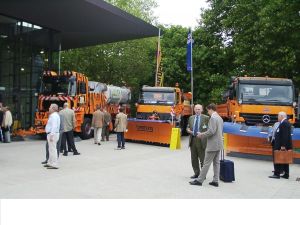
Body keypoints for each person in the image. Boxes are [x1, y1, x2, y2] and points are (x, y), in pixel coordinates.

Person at [189, 103, 224, 187]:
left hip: (212, 144)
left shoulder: (213, 118)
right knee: (216, 163)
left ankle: (199, 180)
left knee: (206, 163)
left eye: (208, 110)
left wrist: (202, 134)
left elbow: (211, 131)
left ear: (211, 109)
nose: (207, 112)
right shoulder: (219, 118)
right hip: (219, 144)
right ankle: (215, 181)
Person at [186, 104, 209, 179]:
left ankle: (203, 175)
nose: (197, 111)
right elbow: (188, 127)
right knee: (194, 159)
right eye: (196, 109)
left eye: (199, 109)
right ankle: (196, 173)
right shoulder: (191, 118)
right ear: (194, 110)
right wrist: (189, 130)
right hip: (193, 140)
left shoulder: (206, 118)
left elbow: (209, 129)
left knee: (202, 159)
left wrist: (203, 134)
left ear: (202, 110)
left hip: (201, 140)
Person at [269, 112, 292, 179]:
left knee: (278, 159)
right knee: (285, 160)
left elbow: (284, 136)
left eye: (278, 116)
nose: (277, 118)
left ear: (281, 116)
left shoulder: (284, 123)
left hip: (281, 145)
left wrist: (283, 145)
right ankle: (286, 174)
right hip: (282, 145)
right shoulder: (285, 122)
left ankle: (277, 174)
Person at [44, 104, 60, 169]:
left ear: (53, 108)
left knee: (53, 149)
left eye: (50, 107)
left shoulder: (54, 116)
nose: (49, 108)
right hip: (52, 134)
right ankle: (50, 162)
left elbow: (54, 126)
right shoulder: (54, 115)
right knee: (50, 149)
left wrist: (51, 135)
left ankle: (54, 164)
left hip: (52, 134)